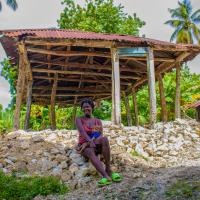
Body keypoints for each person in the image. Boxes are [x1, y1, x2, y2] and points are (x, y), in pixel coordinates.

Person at [75, 98, 122, 186]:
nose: (86, 109)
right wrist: (88, 142)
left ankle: (108, 169)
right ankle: (105, 176)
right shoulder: (79, 119)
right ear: (81, 109)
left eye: (88, 107)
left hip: (93, 144)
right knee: (89, 151)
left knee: (104, 139)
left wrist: (89, 142)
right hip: (84, 146)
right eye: (84, 107)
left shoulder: (97, 121)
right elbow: (82, 132)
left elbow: (98, 135)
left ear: (92, 108)